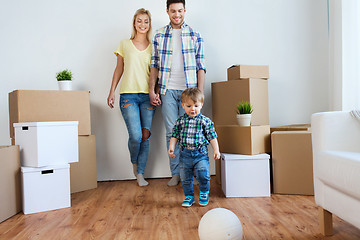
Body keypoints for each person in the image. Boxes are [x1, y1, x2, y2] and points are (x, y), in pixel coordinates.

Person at [149, 0, 206, 186]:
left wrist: (200, 94)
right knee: (171, 132)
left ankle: (190, 174)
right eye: (173, 11)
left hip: (189, 91)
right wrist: (152, 90)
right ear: (167, 11)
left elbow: (201, 67)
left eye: (180, 11)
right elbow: (154, 65)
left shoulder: (195, 35)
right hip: (167, 90)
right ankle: (176, 173)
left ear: (185, 10)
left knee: (190, 132)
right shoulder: (158, 35)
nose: (177, 14)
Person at [107, 8, 155, 187]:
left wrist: (156, 92)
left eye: (146, 21)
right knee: (135, 136)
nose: (143, 24)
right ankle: (134, 161)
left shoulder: (153, 46)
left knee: (145, 136)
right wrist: (111, 91)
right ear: (134, 23)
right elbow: (119, 69)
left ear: (149, 25)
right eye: (139, 21)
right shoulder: (124, 44)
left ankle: (140, 173)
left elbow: (155, 74)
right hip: (128, 95)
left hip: (148, 97)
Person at [168, 88, 220, 207]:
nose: (193, 109)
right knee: (185, 177)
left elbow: (212, 136)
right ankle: (189, 196)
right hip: (185, 155)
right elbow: (174, 135)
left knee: (203, 173)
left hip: (200, 154)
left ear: (201, 105)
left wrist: (216, 150)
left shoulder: (205, 121)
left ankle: (204, 192)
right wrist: (171, 147)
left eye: (196, 105)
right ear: (183, 105)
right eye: (189, 105)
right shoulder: (180, 121)